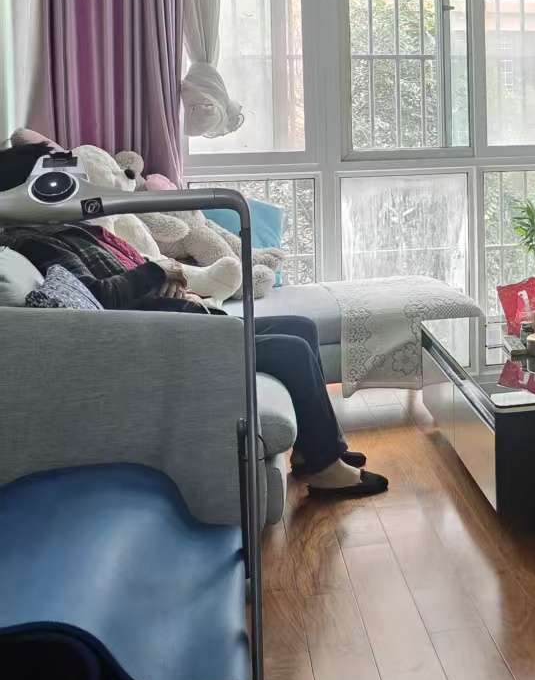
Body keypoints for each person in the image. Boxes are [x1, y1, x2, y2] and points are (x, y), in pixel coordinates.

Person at [0, 160, 387, 497]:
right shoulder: (37, 241)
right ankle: (324, 469)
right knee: (292, 350)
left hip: (172, 318)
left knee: (301, 327)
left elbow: (118, 284)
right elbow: (103, 297)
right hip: (165, 338)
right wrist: (158, 272)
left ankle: (316, 449)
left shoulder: (65, 229)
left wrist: (163, 281)